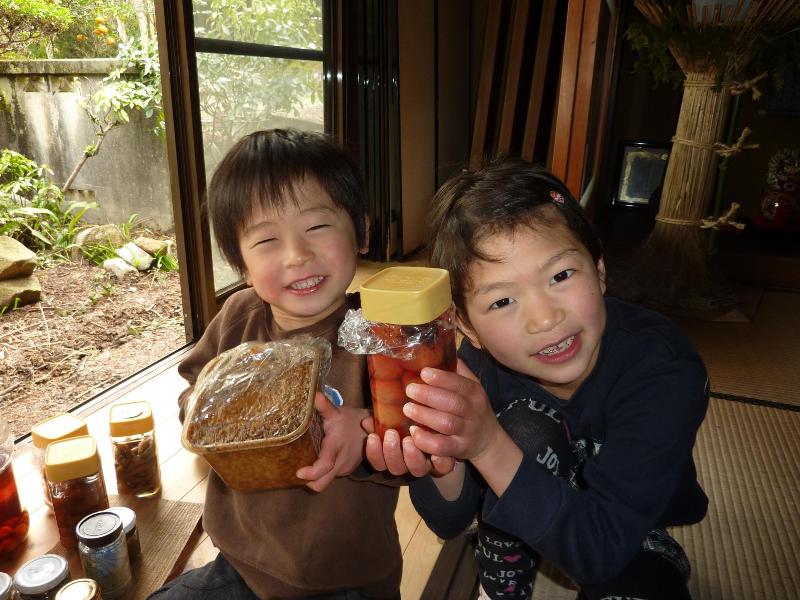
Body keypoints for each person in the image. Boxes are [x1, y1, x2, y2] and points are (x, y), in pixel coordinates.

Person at [364, 158, 709, 599]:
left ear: (599, 271)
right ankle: (505, 574)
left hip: (621, 524)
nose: (545, 318)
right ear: (467, 328)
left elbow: (598, 552)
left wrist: (488, 444)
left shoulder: (663, 369)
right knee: (525, 429)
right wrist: (442, 450)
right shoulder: (475, 365)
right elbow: (448, 521)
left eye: (561, 276)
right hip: (523, 499)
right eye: (503, 300)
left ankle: (654, 550)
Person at [149, 129, 403, 600]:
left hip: (344, 578)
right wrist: (206, 413)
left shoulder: (384, 336)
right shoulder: (238, 316)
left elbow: (418, 444)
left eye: (318, 227)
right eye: (266, 240)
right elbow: (193, 385)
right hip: (240, 562)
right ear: (240, 263)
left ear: (362, 231)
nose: (297, 255)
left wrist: (366, 432)